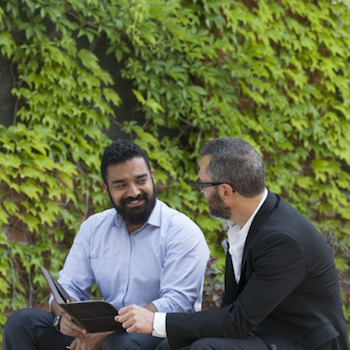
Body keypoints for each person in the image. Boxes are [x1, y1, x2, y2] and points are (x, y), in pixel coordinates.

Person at [115, 137, 350, 350]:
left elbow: (238, 320)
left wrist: (156, 321)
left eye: (202, 186)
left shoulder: (282, 240)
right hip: (263, 331)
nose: (201, 193)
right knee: (168, 346)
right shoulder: (245, 222)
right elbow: (231, 312)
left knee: (203, 349)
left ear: (226, 191)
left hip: (301, 342)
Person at [3, 139, 210, 350]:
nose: (134, 191)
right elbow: (68, 286)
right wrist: (65, 316)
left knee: (121, 343)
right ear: (106, 188)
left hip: (157, 333)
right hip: (103, 332)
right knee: (22, 323)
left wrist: (110, 330)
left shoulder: (181, 231)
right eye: (121, 185)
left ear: (152, 177)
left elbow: (177, 302)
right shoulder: (94, 228)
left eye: (141, 180)